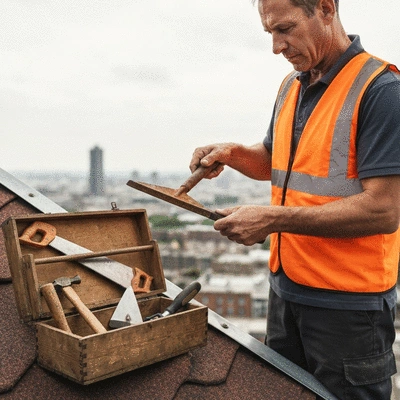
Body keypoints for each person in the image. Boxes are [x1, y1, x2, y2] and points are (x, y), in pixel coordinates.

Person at [188, 0, 400, 399]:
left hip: (348, 310)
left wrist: (271, 219)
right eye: (269, 32)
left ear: (324, 8)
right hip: (287, 294)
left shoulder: (382, 91)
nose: (276, 46)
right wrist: (232, 153)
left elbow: (385, 210)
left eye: (284, 29)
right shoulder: (293, 84)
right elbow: (276, 159)